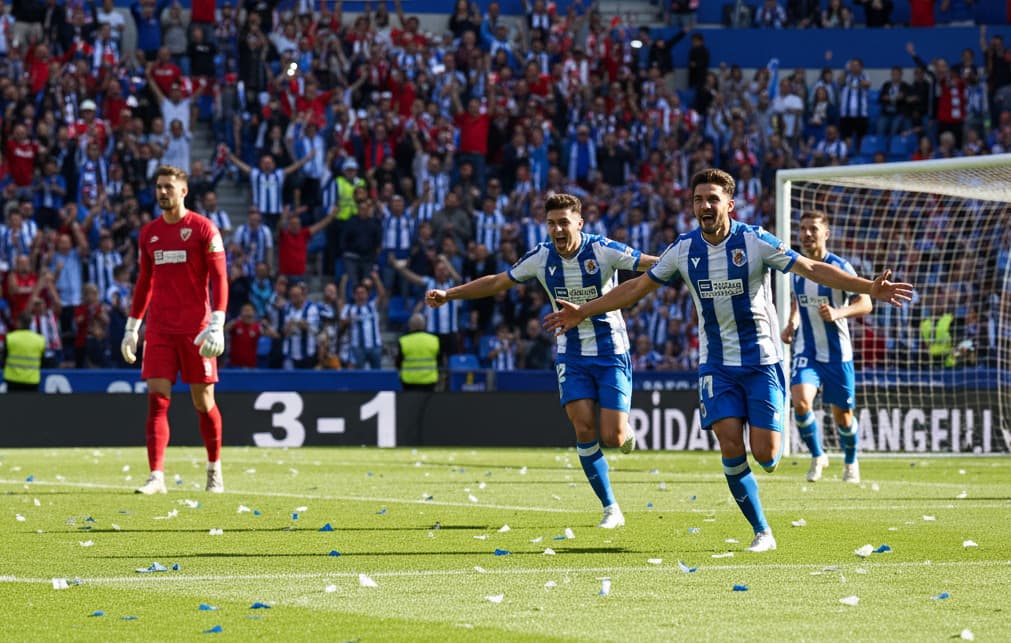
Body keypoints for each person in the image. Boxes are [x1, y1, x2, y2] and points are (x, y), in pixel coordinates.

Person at [543, 170, 912, 551]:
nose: (704, 205)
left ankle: (792, 456)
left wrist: (869, 287)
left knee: (766, 455)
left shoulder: (755, 241)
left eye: (712, 199)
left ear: (730, 205)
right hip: (716, 366)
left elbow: (812, 268)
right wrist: (582, 311)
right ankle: (762, 531)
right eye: (698, 199)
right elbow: (637, 286)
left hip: (762, 362)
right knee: (730, 444)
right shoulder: (683, 249)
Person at [425, 193, 659, 529]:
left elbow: (648, 263)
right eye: (551, 224)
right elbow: (498, 282)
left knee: (614, 437)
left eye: (564, 222)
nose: (557, 230)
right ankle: (611, 508)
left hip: (611, 351)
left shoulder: (602, 249)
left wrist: (680, 264)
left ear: (579, 223)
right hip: (571, 353)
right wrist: (450, 294)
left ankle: (623, 431)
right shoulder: (541, 256)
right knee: (583, 428)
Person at [121, 165, 229, 495]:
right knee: (157, 401)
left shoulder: (204, 229)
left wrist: (218, 323)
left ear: (184, 191)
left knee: (203, 401)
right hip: (160, 330)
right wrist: (132, 327)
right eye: (159, 187)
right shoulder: (149, 233)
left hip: (197, 330)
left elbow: (220, 278)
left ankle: (214, 469)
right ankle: (156, 476)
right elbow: (145, 281)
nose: (163, 192)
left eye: (169, 186)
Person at [780, 211, 872, 484]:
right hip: (806, 350)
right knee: (800, 402)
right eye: (803, 229)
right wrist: (792, 323)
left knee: (843, 417)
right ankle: (818, 455)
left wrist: (838, 313)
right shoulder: (797, 268)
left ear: (826, 234)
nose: (807, 234)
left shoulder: (841, 267)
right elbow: (798, 302)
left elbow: (865, 303)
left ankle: (850, 462)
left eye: (813, 229)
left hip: (837, 353)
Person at [3, 312, 46, 392]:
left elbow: (3, 358)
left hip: (13, 380)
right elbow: (42, 361)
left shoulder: (10, 338)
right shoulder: (40, 340)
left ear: (18, 322)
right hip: (32, 380)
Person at [397, 313, 440, 391]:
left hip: (409, 382)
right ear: (424, 325)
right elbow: (439, 360)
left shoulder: (403, 341)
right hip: (429, 381)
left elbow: (398, 363)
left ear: (410, 325)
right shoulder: (434, 340)